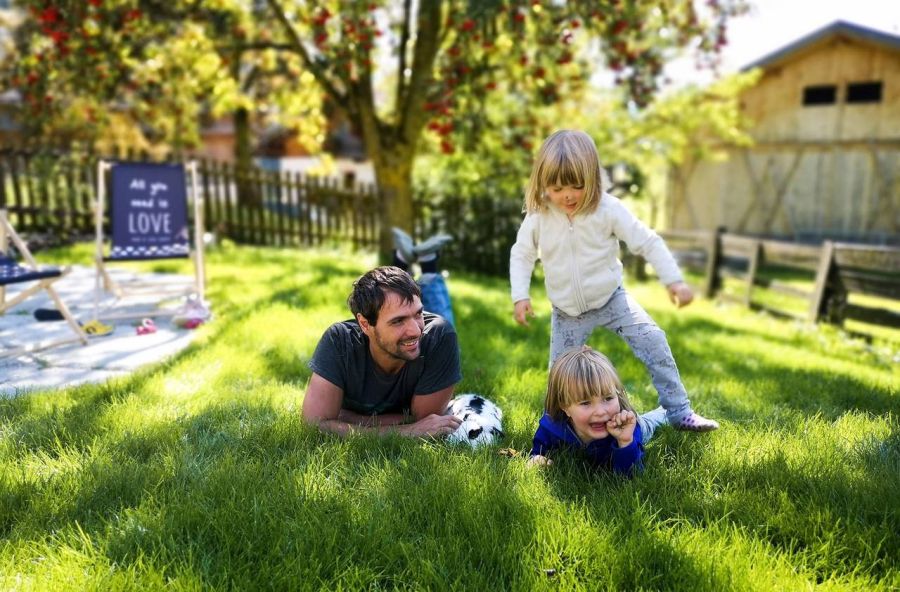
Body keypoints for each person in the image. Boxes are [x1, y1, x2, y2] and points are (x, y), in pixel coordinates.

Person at [510, 129, 718, 432]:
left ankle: (678, 411)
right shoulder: (539, 216)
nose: (567, 195)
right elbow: (522, 254)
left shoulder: (607, 209)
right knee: (559, 375)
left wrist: (674, 281)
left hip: (612, 299)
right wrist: (520, 295)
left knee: (654, 339)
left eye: (576, 186)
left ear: (593, 179)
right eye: (556, 188)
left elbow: (647, 241)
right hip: (567, 312)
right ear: (542, 184)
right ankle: (556, 430)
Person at [304, 265, 463, 437]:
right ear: (365, 324)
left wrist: (348, 418)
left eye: (418, 314)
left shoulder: (439, 336)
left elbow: (424, 421)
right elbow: (314, 424)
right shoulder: (340, 341)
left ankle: (426, 264)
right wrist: (407, 431)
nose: (416, 331)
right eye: (398, 321)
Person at [528, 346, 667, 474]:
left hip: (632, 427)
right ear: (565, 407)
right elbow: (538, 451)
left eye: (608, 398)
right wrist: (537, 459)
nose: (600, 412)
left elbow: (631, 474)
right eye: (585, 402)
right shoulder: (551, 426)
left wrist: (625, 441)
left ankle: (666, 412)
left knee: (649, 423)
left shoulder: (627, 427)